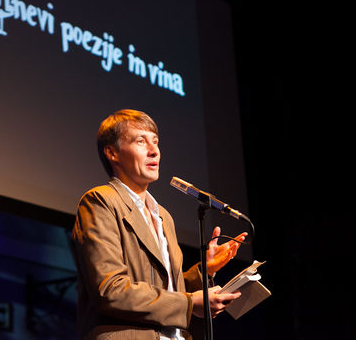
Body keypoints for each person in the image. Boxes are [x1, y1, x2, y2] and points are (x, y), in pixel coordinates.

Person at [71, 109, 247, 340]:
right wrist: (189, 303)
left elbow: (167, 290)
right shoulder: (101, 201)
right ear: (112, 153)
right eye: (141, 141)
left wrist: (204, 270)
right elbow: (110, 290)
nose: (154, 151)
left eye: (155, 142)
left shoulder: (163, 215)